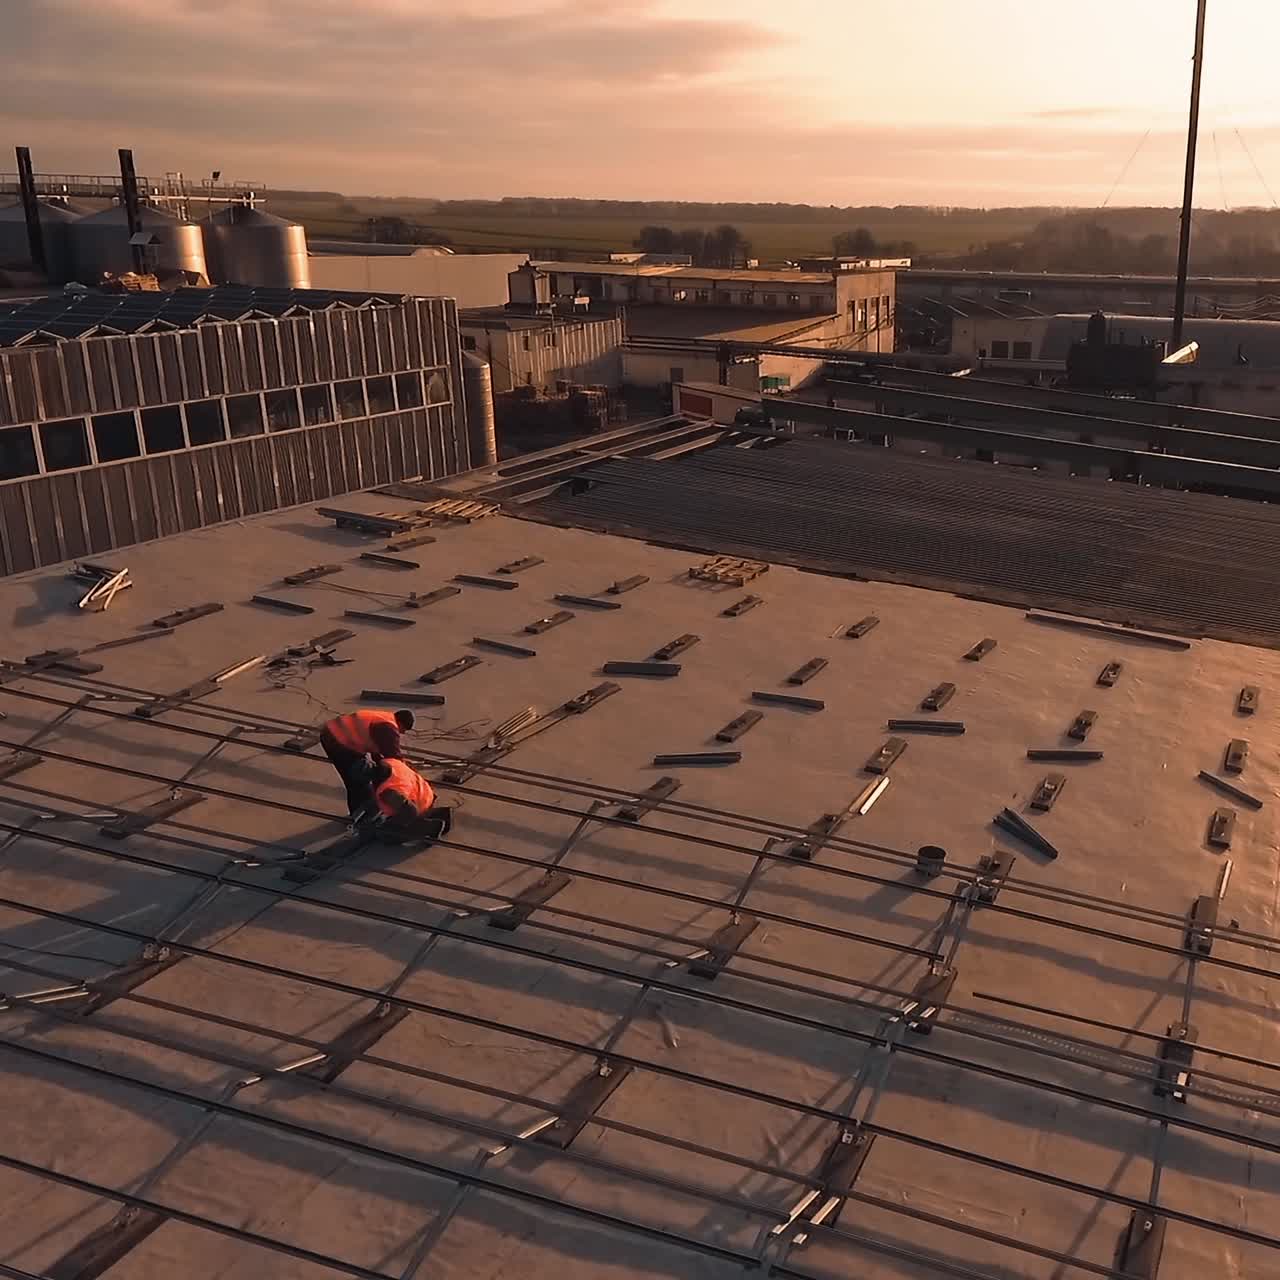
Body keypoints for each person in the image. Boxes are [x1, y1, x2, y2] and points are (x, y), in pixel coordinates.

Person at [320, 708, 415, 814]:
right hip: (340, 743)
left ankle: (357, 815)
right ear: (400, 723)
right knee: (360, 783)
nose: (402, 732)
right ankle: (362, 818)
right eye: (404, 729)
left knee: (354, 781)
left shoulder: (382, 717)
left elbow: (378, 752)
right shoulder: (388, 727)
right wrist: (404, 771)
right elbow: (393, 756)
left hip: (331, 734)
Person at [356, 756, 451, 841]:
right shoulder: (390, 762)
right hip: (424, 792)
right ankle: (439, 812)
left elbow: (411, 811)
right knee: (398, 816)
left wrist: (388, 825)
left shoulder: (388, 792)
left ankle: (432, 827)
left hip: (419, 804)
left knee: (387, 835)